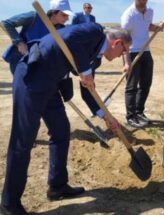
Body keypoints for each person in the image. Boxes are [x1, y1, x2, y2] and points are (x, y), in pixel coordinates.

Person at [0, 23, 131, 215]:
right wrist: (84, 72)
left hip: (51, 85)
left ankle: (57, 186)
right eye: (124, 51)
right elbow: (68, 40)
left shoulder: (96, 57)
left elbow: (89, 92)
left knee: (61, 131)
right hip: (32, 79)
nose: (122, 56)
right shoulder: (93, 31)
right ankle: (9, 204)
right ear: (118, 42)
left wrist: (106, 118)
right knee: (23, 140)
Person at [1, 0, 74, 75]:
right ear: (54, 13)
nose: (67, 19)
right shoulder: (34, 17)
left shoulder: (60, 29)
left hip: (39, 65)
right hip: (20, 59)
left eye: (67, 16)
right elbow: (6, 24)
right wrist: (19, 43)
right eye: (64, 15)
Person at [121, 0, 164, 128]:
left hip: (146, 51)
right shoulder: (128, 15)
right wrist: (126, 61)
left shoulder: (150, 11)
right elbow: (123, 39)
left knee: (146, 84)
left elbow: (147, 26)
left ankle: (139, 112)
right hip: (132, 52)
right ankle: (130, 116)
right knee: (131, 86)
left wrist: (157, 28)